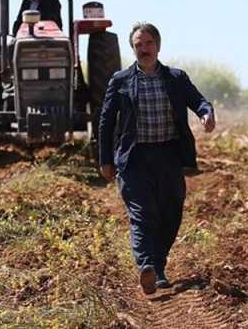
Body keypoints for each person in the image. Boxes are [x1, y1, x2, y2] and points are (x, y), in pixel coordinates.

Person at [98, 22, 216, 295]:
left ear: (158, 46)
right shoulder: (121, 80)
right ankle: (146, 265)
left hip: (168, 155)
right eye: (138, 45)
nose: (144, 49)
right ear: (133, 49)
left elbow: (198, 100)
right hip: (134, 158)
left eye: (148, 43)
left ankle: (158, 268)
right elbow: (105, 122)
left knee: (171, 213)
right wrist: (106, 159)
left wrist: (205, 113)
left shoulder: (175, 78)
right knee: (142, 214)